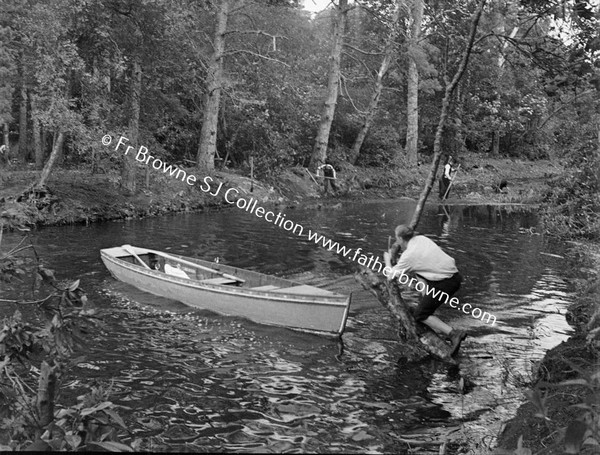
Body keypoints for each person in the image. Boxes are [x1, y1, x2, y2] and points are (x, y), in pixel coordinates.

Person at [383, 224, 467, 356]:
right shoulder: (422, 239)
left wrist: (387, 261)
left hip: (445, 283)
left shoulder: (409, 256)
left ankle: (454, 334)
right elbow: (421, 265)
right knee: (423, 308)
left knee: (420, 315)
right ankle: (438, 330)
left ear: (400, 238)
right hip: (454, 277)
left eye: (396, 238)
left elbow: (390, 276)